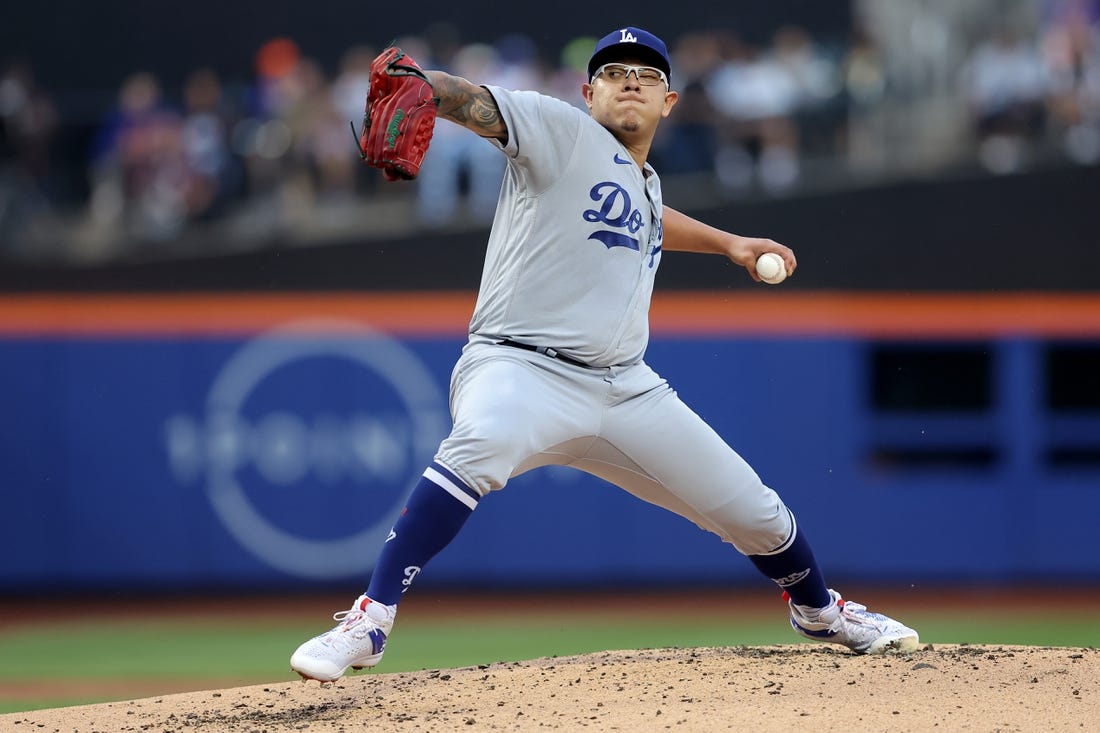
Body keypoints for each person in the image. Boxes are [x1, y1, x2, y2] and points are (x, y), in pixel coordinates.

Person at [290, 26, 919, 683]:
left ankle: (820, 611)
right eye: (615, 73)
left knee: (757, 511)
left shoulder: (641, 182)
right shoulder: (560, 130)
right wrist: (429, 87)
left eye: (646, 76)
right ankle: (370, 618)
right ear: (588, 93)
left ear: (669, 102)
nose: (630, 81)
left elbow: (651, 215)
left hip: (624, 390)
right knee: (480, 442)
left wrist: (731, 243)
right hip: (519, 365)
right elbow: (475, 102)